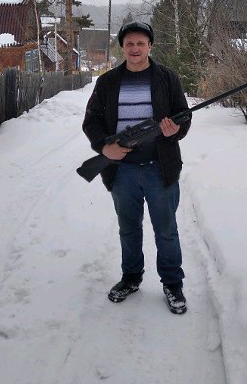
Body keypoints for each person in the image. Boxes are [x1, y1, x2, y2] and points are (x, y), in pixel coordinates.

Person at [81, 21, 191, 315]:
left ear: (150, 46)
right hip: (122, 171)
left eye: (141, 43)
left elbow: (183, 116)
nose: (135, 48)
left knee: (166, 231)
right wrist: (105, 148)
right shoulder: (107, 82)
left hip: (160, 168)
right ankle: (131, 278)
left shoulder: (167, 78)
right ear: (122, 47)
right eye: (129, 43)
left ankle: (172, 284)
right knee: (128, 229)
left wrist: (175, 131)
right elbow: (91, 121)